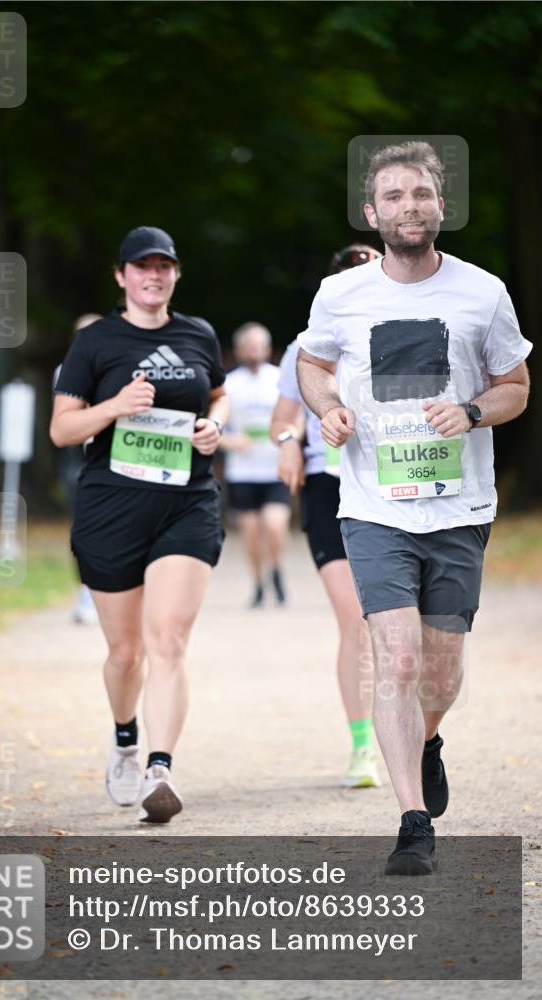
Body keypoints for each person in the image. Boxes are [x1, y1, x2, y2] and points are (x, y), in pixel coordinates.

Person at [297, 141, 531, 875]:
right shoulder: (341, 294)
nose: (409, 207)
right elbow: (312, 362)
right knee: (394, 656)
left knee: (441, 668)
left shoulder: (482, 292)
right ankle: (411, 821)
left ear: (440, 207)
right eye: (394, 196)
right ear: (372, 213)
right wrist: (328, 408)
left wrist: (472, 410)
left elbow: (516, 386)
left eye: (420, 194)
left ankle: (428, 738)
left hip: (458, 506)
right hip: (373, 506)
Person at [50, 226, 228, 824]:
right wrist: (114, 407)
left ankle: (160, 768)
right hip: (112, 509)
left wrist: (214, 424)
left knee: (168, 641)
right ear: (121, 276)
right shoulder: (95, 342)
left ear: (175, 274)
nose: (154, 276)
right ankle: (125, 737)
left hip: (186, 502)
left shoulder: (197, 333)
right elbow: (62, 429)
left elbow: (219, 394)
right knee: (126, 654)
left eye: (164, 267)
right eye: (142, 267)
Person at [271, 245, 382, 789]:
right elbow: (283, 419)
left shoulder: (409, 331)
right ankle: (363, 747)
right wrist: (289, 443)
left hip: (394, 486)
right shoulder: (306, 345)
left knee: (405, 624)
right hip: (330, 489)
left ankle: (415, 735)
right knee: (356, 621)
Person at [221, 322, 291, 607]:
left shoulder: (280, 379)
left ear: (267, 348)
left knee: (275, 525)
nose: (253, 351)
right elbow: (214, 428)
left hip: (274, 469)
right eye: (248, 346)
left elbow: (297, 418)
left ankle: (277, 569)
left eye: (258, 345)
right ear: (239, 350)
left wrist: (288, 442)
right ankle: (259, 583)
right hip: (242, 472)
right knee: (250, 534)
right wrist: (231, 441)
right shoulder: (229, 384)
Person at [52, 313, 102, 625]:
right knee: (83, 531)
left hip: (117, 461)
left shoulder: (124, 366)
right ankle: (86, 592)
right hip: (79, 463)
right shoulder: (65, 371)